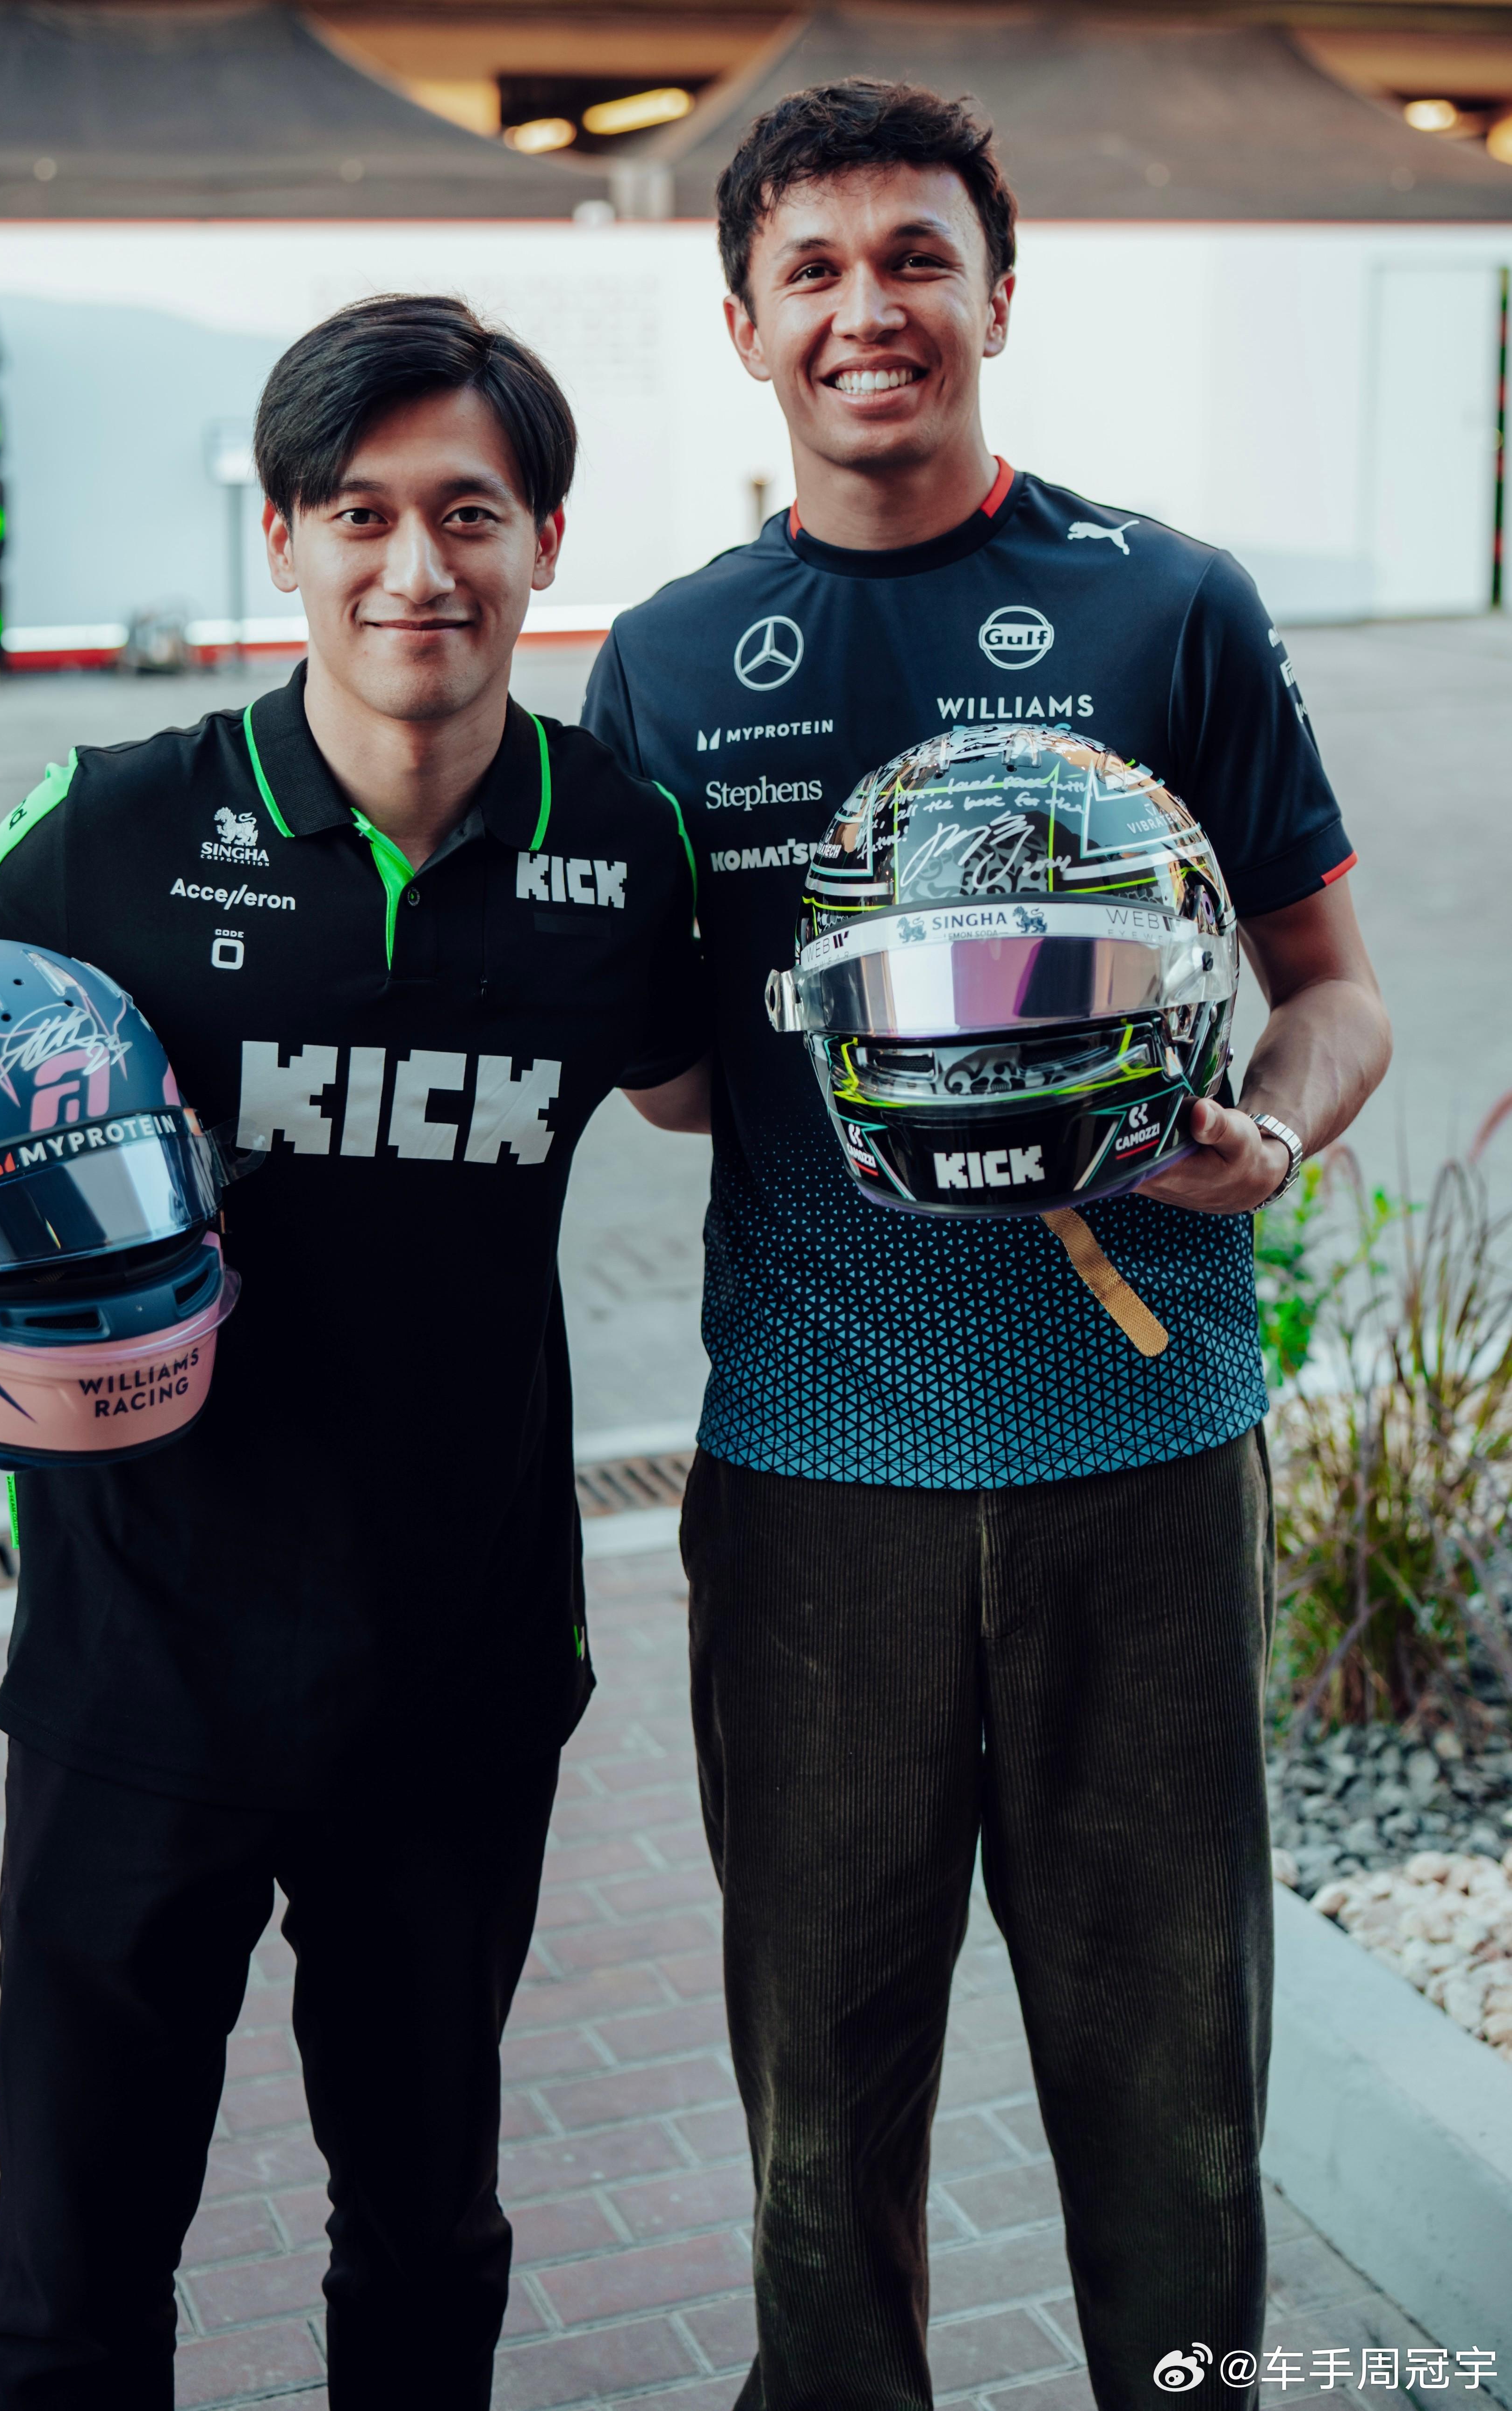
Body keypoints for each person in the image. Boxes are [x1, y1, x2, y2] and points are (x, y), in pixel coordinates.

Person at [0, 294, 708, 2411]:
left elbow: (708, 1085)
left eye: (469, 512)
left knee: (427, 2237)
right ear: (282, 538)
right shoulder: (114, 823)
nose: (415, 566)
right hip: (139, 1666)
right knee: (77, 2277)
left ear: (544, 541)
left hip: (459, 1674)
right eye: (359, 512)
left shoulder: (622, 850)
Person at [583, 80, 1391, 2411]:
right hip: (810, 1473)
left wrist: (1265, 1137)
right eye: (814, 270)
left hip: (1140, 1449)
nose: (870, 308)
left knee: (1173, 2094)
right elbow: (669, 1087)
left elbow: (1334, 988)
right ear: (744, 327)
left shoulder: (1169, 600)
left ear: (999, 297)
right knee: (817, 2115)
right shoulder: (665, 657)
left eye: (916, 257)